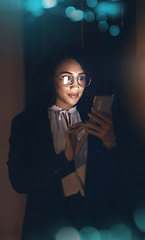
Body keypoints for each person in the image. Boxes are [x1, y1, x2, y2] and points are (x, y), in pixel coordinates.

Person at [7, 46, 118, 240]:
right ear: (51, 78)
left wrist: (111, 142)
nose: (76, 86)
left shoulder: (95, 119)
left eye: (81, 78)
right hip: (46, 226)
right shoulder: (26, 123)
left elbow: (116, 177)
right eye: (67, 77)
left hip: (94, 226)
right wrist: (65, 158)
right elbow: (19, 182)